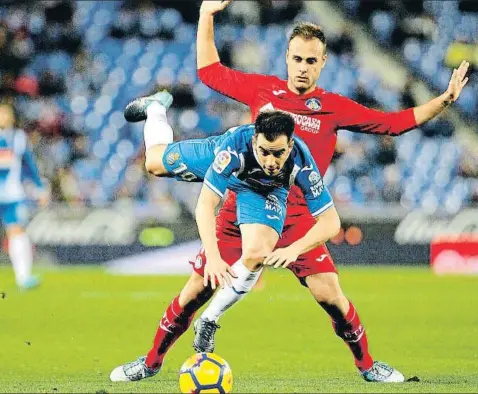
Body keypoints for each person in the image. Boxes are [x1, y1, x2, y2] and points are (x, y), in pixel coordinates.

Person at [138, 0, 470, 382]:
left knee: (332, 297)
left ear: (323, 63)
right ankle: (150, 362)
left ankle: (368, 366)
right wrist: (206, 15)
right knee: (196, 287)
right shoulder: (263, 90)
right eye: (297, 58)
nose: (302, 67)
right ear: (287, 58)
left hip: (297, 215)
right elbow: (210, 72)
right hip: (245, 199)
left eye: (311, 61)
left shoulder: (332, 107)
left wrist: (444, 101)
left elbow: (392, 124)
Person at [110, 92, 341, 382]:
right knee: (154, 163)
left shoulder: (301, 161)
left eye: (278, 153)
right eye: (265, 151)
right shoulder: (232, 149)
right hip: (223, 166)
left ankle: (209, 319)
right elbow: (205, 206)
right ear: (255, 140)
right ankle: (156, 109)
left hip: (262, 193)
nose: (271, 161)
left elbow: (331, 222)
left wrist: (295, 248)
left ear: (290, 146)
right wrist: (214, 259)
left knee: (257, 252)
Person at [0, 105, 49, 296]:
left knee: (17, 231)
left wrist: (39, 188)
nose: (4, 117)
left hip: (12, 195)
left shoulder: (19, 138)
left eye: (7, 114)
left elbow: (28, 164)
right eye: (0, 113)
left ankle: (23, 277)